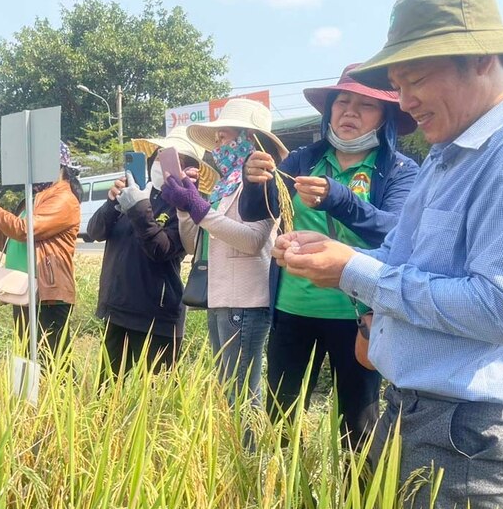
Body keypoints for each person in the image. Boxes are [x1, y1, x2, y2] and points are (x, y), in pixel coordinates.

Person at [272, 0, 503, 509]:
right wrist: (336, 258)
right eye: (396, 84)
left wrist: (353, 271)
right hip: (412, 404)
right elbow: (401, 256)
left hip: (466, 427)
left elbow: (500, 308)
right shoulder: (448, 153)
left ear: (482, 59)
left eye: (414, 80)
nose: (405, 99)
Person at [241, 65, 419, 448]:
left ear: (385, 115)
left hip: (356, 316)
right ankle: (283, 502)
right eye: (343, 102)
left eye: (366, 105)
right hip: (292, 310)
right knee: (279, 419)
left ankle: (357, 507)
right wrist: (252, 181)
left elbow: (395, 232)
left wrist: (340, 199)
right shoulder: (303, 161)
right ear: (329, 111)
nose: (350, 112)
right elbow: (260, 211)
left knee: (358, 426)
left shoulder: (399, 171)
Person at [161, 99, 286, 415]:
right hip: (219, 299)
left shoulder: (262, 182)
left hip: (245, 302)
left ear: (248, 138)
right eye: (216, 139)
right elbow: (194, 246)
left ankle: (250, 459)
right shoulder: (223, 187)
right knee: (229, 391)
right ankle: (239, 457)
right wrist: (184, 206)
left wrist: (198, 208)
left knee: (242, 396)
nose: (217, 145)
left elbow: (253, 240)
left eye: (224, 136)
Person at [88, 126, 216, 379]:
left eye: (171, 158)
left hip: (157, 318)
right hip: (118, 308)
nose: (160, 162)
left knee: (155, 401)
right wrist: (114, 202)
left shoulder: (188, 206)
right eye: (159, 155)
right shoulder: (136, 190)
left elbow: (161, 249)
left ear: (188, 168)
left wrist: (138, 208)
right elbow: (95, 232)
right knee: (107, 395)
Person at [0, 142, 82, 357]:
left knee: (54, 361)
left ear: (60, 166)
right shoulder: (34, 199)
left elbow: (23, 231)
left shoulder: (64, 199)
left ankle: (63, 392)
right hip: (25, 288)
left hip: (48, 293)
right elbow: (7, 242)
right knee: (30, 356)